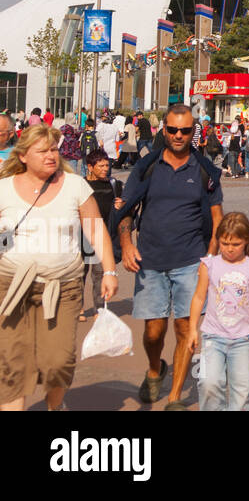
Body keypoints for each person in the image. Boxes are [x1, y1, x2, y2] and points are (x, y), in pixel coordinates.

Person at [111, 103, 224, 410]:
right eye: (172, 130)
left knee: (185, 328)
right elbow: (127, 210)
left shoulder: (205, 170)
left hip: (190, 260)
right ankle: (154, 368)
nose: (178, 135)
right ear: (164, 130)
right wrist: (127, 241)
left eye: (185, 130)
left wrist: (210, 261)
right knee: (153, 331)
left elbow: (217, 221)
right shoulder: (147, 167)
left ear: (193, 132)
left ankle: (174, 396)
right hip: (150, 260)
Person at [0, 124, 117, 411]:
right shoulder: (4, 189)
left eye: (54, 149)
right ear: (24, 156)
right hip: (11, 286)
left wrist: (110, 270)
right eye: (42, 151)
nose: (51, 155)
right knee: (12, 364)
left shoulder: (74, 185)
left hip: (62, 287)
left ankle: (55, 406)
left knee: (59, 361)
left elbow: (95, 229)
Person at [182, 212, 249, 411]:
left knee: (241, 391)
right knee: (208, 383)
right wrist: (193, 329)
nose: (229, 249)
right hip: (213, 336)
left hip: (242, 339)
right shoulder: (209, 265)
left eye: (235, 244)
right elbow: (198, 297)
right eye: (224, 243)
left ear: (246, 241)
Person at [79, 148, 121, 320]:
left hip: (101, 235)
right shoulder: (81, 184)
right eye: (101, 166)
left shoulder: (114, 185)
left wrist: (120, 205)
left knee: (99, 274)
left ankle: (98, 309)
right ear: (90, 167)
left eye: (107, 165)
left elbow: (124, 208)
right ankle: (78, 308)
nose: (105, 169)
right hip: (81, 235)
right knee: (78, 275)